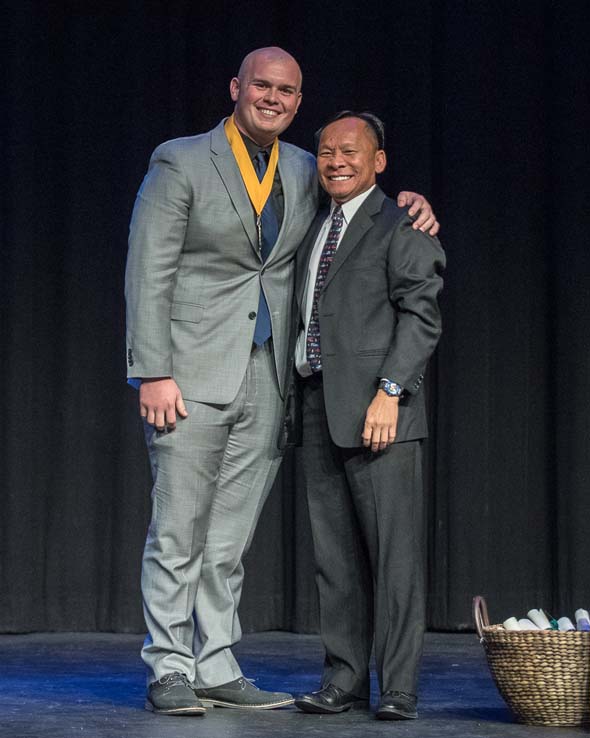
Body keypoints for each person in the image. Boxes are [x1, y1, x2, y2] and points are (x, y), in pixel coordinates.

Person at [125, 47, 438, 716]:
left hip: (270, 380)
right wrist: (152, 369)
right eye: (261, 85)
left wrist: (412, 200)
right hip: (190, 373)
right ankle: (170, 665)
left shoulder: (306, 167)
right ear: (236, 86)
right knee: (179, 531)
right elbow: (147, 270)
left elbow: (368, 203)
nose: (273, 97)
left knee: (230, 540)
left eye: (287, 91)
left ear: (298, 102)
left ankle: (213, 660)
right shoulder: (180, 160)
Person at [293, 111, 445, 721]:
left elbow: (423, 316)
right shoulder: (312, 224)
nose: (336, 161)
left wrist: (389, 390)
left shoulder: (401, 220)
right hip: (316, 406)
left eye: (350, 151)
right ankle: (345, 678)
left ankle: (399, 688)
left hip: (382, 413)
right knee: (336, 561)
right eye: (326, 151)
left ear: (378, 160)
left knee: (395, 560)